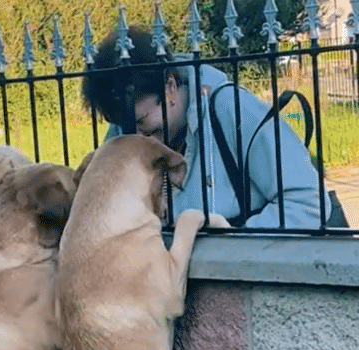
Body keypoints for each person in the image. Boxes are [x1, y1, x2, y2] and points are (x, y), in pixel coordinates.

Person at [82, 25, 326, 229]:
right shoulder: (126, 129)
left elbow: (309, 201)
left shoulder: (232, 109)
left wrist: (231, 242)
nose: (135, 137)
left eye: (141, 121)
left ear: (170, 87)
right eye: (123, 127)